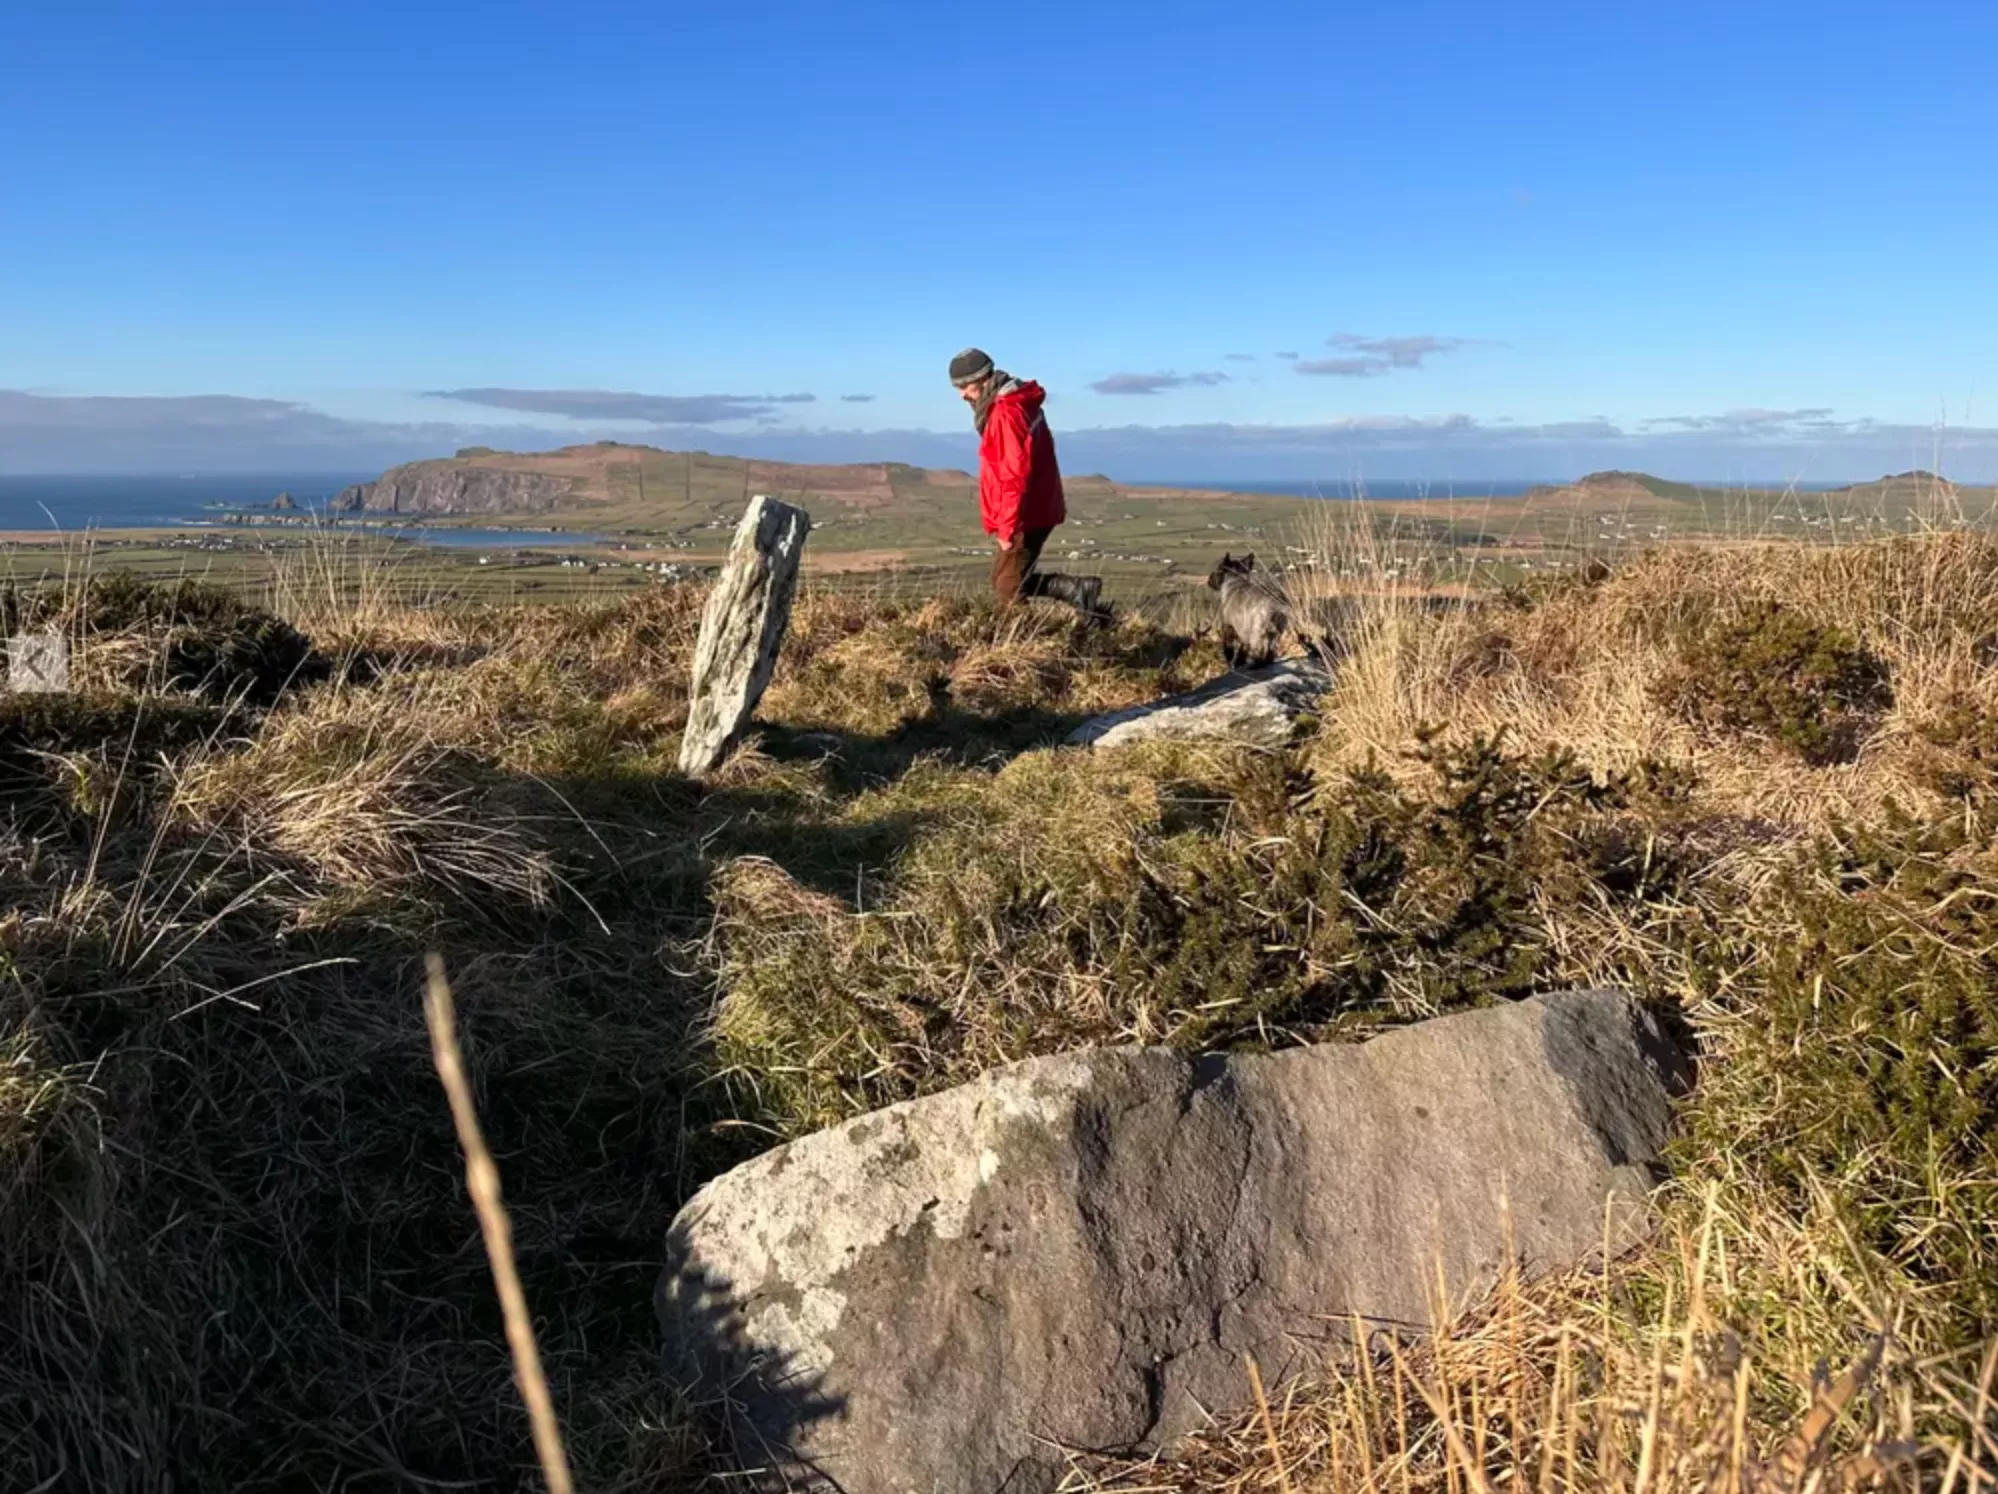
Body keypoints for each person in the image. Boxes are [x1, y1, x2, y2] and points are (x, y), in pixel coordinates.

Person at [948, 348, 1103, 617]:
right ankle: (1076, 589)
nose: (962, 394)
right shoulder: (1017, 404)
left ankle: (1021, 639)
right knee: (1004, 578)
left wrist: (1007, 529)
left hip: (1025, 512)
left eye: (964, 386)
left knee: (1008, 586)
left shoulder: (1006, 413)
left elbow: (1013, 476)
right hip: (1035, 506)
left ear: (983, 379)